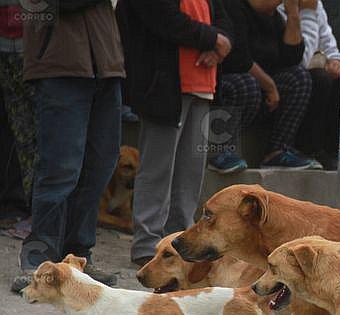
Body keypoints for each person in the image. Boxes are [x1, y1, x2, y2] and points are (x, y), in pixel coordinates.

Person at [13, 0, 125, 293]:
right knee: (60, 169)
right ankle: (38, 260)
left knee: (100, 166)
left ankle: (78, 258)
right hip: (60, 67)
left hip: (106, 66)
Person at [116, 0, 233, 266]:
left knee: (190, 173)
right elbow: (162, 18)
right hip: (164, 87)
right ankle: (148, 245)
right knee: (157, 169)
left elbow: (227, 21)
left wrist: (219, 46)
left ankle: (182, 241)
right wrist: (213, 38)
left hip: (204, 85)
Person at [209, 0, 318, 174]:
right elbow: (239, 59)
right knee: (246, 84)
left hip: (263, 96)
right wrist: (269, 86)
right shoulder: (234, 7)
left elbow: (292, 59)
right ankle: (221, 151)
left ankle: (277, 151)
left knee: (299, 77)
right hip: (226, 88)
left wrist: (293, 15)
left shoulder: (274, 18)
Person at [281, 0, 340, 170]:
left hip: (308, 67)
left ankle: (331, 151)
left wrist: (335, 59)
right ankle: (308, 148)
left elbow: (326, 38)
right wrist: (307, 13)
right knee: (319, 79)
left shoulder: (315, 4)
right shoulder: (280, 6)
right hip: (283, 73)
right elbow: (300, 59)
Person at [0, 0, 35, 223]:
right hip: (12, 48)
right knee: (17, 130)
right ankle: (15, 204)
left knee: (27, 132)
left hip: (32, 48)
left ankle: (21, 204)